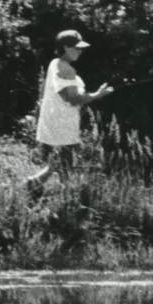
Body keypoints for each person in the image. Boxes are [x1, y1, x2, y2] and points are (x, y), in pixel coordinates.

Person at [27, 29, 114, 188]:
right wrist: (97, 95)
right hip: (62, 124)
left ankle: (34, 183)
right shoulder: (67, 69)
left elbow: (68, 95)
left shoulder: (55, 63)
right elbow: (73, 99)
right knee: (67, 163)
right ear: (66, 47)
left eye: (81, 48)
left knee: (61, 161)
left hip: (56, 121)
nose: (80, 51)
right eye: (77, 48)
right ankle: (67, 198)